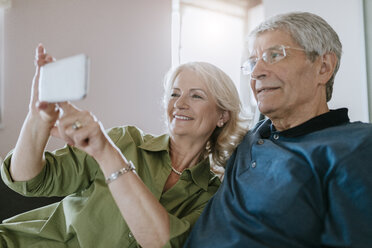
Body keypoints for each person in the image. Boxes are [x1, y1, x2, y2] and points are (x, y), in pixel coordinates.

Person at [0, 45, 247, 248]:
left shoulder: (212, 197)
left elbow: (163, 244)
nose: (179, 103)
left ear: (222, 116)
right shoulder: (125, 140)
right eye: (174, 94)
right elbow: (28, 180)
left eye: (196, 96)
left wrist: (105, 153)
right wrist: (38, 118)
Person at [184, 11, 372, 248]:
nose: (256, 72)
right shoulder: (252, 135)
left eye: (274, 55)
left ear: (323, 67)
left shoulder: (357, 146)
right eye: (253, 62)